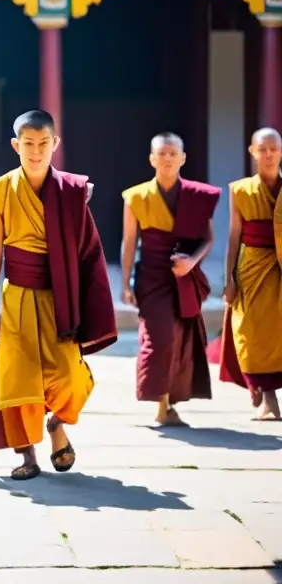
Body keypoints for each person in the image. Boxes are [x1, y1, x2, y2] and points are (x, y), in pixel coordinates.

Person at [0, 110, 117, 481]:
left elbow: (87, 251)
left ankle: (58, 423)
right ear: (16, 145)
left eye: (43, 144)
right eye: (28, 144)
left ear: (55, 144)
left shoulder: (73, 192)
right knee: (18, 381)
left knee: (71, 377)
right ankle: (27, 455)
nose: (36, 151)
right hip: (17, 297)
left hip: (60, 297)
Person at [121, 132, 220, 427]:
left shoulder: (197, 196)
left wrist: (192, 262)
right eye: (161, 154)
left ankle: (168, 403)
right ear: (151, 159)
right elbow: (129, 243)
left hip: (184, 276)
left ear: (183, 158)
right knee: (160, 337)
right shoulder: (135, 196)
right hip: (151, 276)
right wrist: (125, 283)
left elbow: (208, 238)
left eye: (172, 153)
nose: (167, 159)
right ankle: (161, 403)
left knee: (179, 339)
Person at [218, 127, 282, 421]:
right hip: (253, 265)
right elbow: (234, 235)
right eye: (262, 149)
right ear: (252, 152)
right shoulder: (240, 189)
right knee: (252, 331)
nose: (268, 155)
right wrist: (229, 278)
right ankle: (261, 389)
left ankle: (264, 389)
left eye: (274, 149)